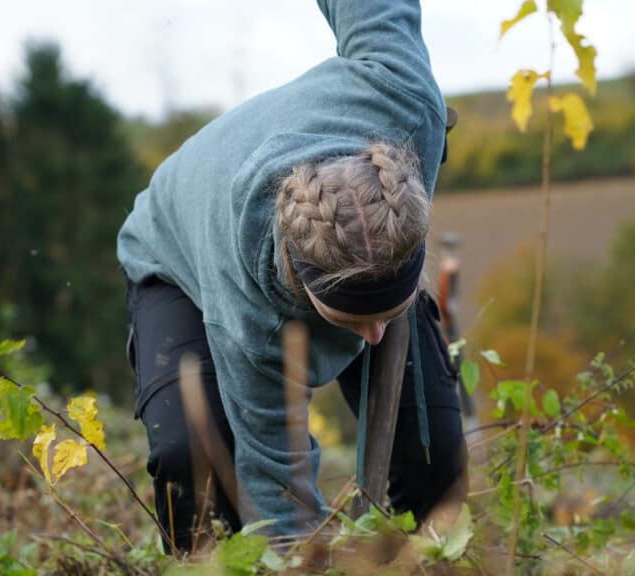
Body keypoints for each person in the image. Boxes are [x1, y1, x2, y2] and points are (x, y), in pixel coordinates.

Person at [117, 0, 465, 552]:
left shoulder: (402, 95)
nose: (375, 338)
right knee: (198, 462)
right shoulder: (251, 315)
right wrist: (310, 562)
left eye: (385, 313)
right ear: (302, 288)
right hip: (176, 256)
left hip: (363, 235)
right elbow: (281, 494)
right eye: (356, 319)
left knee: (436, 454)